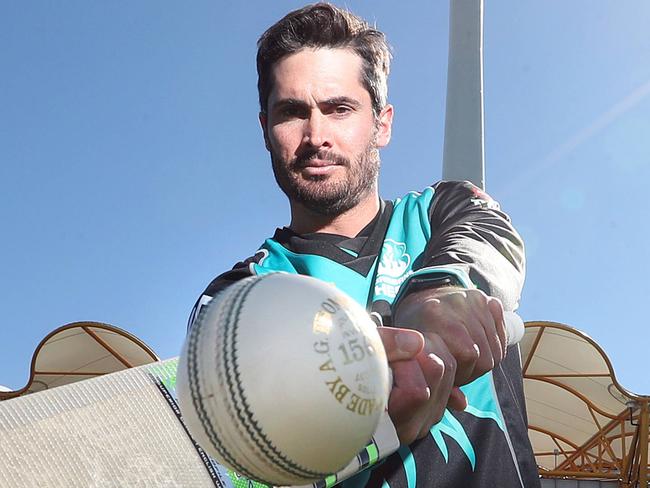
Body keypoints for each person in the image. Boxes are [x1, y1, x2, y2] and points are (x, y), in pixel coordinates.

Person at [189, 3, 540, 487]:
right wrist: (365, 401)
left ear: (382, 123)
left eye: (339, 109)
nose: (316, 137)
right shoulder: (240, 290)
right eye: (292, 112)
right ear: (265, 130)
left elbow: (489, 243)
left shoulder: (444, 208)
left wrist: (439, 294)